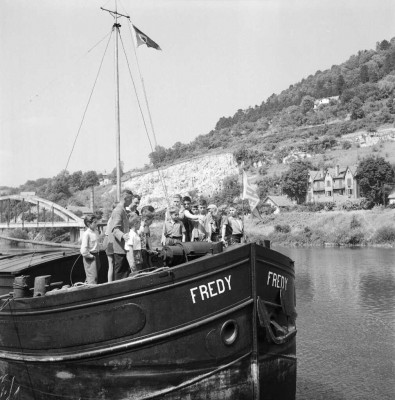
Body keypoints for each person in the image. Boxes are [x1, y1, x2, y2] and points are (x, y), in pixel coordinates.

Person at [108, 189, 134, 280]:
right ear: (125, 198)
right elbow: (115, 229)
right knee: (120, 272)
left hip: (124, 247)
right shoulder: (118, 211)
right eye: (130, 199)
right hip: (120, 248)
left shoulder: (123, 210)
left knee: (124, 272)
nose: (131, 201)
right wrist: (123, 236)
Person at [80, 214, 101, 285]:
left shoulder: (96, 232)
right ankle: (93, 293)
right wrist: (90, 256)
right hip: (90, 257)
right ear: (89, 223)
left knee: (95, 276)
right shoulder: (86, 234)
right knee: (92, 277)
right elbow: (83, 250)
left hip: (96, 255)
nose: (96, 224)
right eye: (94, 222)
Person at [103, 204, 116, 282]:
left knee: (111, 264)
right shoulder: (114, 219)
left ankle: (110, 282)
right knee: (112, 264)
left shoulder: (110, 219)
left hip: (107, 241)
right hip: (111, 242)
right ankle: (111, 282)